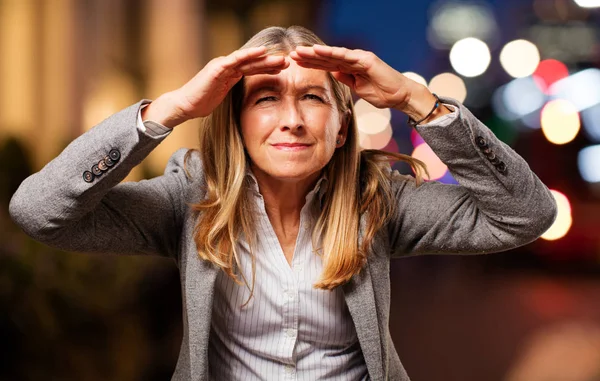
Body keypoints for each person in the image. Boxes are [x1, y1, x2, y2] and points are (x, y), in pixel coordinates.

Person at [9, 25, 556, 380]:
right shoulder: (189, 198)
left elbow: (527, 215)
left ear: (342, 127)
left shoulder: (379, 201)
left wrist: (417, 101)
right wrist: (167, 111)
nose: (291, 119)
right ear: (239, 123)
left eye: (313, 98)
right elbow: (39, 212)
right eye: (266, 99)